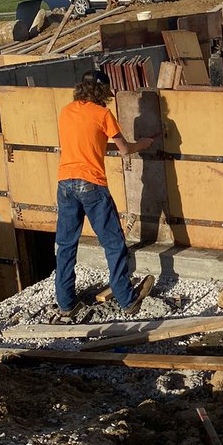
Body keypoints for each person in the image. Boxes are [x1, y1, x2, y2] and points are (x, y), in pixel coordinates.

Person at [55, 69, 158, 317]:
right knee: (113, 243)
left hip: (65, 183)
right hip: (91, 184)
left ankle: (66, 304)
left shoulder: (67, 111)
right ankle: (126, 299)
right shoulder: (103, 114)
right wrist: (142, 144)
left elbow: (86, 141)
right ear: (103, 92)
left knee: (66, 245)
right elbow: (125, 149)